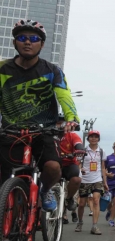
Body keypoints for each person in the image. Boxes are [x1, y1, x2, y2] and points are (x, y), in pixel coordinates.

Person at [0, 19, 79, 212]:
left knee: (52, 167)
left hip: (43, 131)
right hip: (10, 131)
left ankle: (44, 190)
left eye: (34, 38)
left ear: (41, 44)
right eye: (22, 37)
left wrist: (71, 118)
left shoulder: (52, 70)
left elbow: (64, 95)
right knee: (4, 186)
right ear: (14, 42)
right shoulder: (2, 68)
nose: (28, 42)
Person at [76, 131, 107, 235]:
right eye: (91, 137)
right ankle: (80, 222)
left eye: (96, 137)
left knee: (96, 200)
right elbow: (78, 164)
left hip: (97, 179)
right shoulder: (83, 151)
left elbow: (103, 167)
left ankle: (94, 226)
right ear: (88, 139)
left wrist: (105, 181)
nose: (93, 139)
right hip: (84, 179)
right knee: (81, 204)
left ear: (98, 139)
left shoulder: (101, 151)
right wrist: (80, 170)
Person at [57, 112, 85, 224]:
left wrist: (80, 149)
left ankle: (68, 199)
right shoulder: (51, 134)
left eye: (63, 122)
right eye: (58, 123)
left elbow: (78, 144)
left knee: (76, 179)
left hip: (69, 164)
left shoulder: (72, 135)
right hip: (55, 165)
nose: (61, 125)